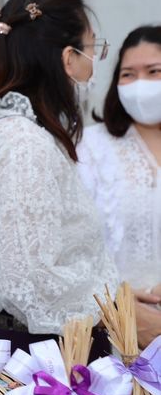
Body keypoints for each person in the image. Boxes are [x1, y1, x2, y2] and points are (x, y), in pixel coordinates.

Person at [0, 0, 161, 356]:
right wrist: (123, 312)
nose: (93, 66)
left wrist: (110, 289)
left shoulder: (31, 137)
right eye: (93, 48)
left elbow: (55, 256)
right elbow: (29, 281)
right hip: (42, 358)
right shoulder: (26, 146)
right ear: (69, 59)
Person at [79, 25, 161, 291]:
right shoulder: (91, 147)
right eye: (128, 74)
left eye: (154, 71)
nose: (140, 85)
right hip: (113, 321)